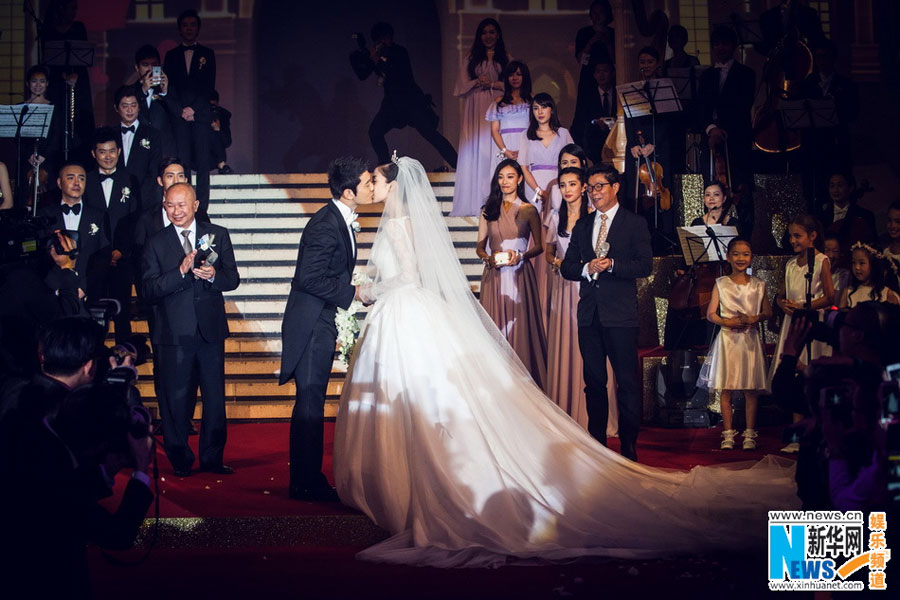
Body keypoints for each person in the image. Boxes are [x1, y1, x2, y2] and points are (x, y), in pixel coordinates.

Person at [332, 155, 798, 569]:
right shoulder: (410, 223)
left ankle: (621, 444)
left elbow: (403, 277)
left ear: (392, 186)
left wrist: (365, 292)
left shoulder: (395, 226)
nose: (372, 185)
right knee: (583, 383)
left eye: (375, 180)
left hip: (429, 310)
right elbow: (565, 262)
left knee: (617, 382)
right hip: (491, 311)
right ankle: (592, 442)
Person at [0, 376, 153, 599]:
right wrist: (140, 469)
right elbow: (117, 535)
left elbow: (78, 488)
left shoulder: (41, 437)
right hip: (38, 581)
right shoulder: (54, 476)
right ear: (100, 443)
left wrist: (108, 469)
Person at [279, 157, 377, 502]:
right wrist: (354, 293)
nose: (371, 187)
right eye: (366, 183)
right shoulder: (325, 224)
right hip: (309, 324)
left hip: (321, 320)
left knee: (312, 400)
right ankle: (304, 482)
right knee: (309, 402)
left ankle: (307, 478)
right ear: (349, 192)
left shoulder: (339, 219)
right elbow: (307, 277)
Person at [141, 182, 239, 477]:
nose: (176, 211)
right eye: (170, 205)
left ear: (195, 205)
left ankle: (212, 458)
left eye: (182, 205)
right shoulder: (155, 243)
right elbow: (148, 289)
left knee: (214, 399)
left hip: (209, 331)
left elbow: (232, 278)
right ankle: (180, 459)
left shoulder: (217, 235)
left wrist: (212, 276)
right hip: (173, 334)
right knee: (176, 399)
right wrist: (180, 272)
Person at [560, 164, 653, 459]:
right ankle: (598, 445)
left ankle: (628, 447)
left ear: (615, 188)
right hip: (589, 316)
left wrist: (612, 264)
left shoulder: (634, 223)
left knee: (626, 383)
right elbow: (567, 267)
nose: (594, 192)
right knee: (594, 383)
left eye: (600, 186)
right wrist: (587, 268)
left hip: (621, 316)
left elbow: (644, 265)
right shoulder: (583, 226)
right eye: (590, 187)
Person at [544, 167, 618, 434]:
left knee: (593, 357)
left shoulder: (594, 217)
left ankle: (597, 420)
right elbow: (548, 253)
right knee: (567, 345)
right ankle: (566, 411)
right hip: (565, 286)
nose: (567, 190)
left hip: (591, 288)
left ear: (583, 187)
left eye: (572, 184)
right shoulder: (555, 218)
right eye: (562, 185)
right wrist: (560, 262)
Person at [475, 159, 546, 388]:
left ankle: (523, 384)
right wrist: (488, 258)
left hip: (519, 275)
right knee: (494, 329)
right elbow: (480, 246)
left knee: (520, 329)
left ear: (519, 179)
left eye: (510, 176)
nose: (505, 182)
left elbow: (540, 246)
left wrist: (521, 256)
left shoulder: (528, 209)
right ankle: (495, 384)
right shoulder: (488, 210)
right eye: (501, 177)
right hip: (493, 276)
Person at [697, 237, 772, 451]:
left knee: (750, 388)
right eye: (736, 254)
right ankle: (728, 433)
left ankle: (749, 432)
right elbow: (711, 314)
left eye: (745, 254)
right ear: (728, 257)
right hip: (729, 340)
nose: (741, 258)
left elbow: (768, 312)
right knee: (727, 388)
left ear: (751, 257)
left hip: (749, 340)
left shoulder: (758, 284)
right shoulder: (721, 283)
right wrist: (727, 321)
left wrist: (753, 319)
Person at [350, 22, 457, 169]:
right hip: (392, 105)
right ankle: (386, 165)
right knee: (375, 132)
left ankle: (458, 165)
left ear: (389, 38)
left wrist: (381, 60)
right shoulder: (377, 54)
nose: (382, 43)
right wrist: (371, 58)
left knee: (431, 134)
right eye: (378, 40)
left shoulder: (399, 51)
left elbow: (401, 75)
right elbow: (363, 74)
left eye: (383, 39)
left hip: (410, 103)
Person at [769, 214, 834, 453]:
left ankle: (815, 430)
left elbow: (830, 296)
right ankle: (797, 432)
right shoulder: (789, 264)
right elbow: (783, 293)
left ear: (812, 236)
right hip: (793, 321)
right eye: (791, 235)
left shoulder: (821, 260)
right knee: (796, 375)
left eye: (798, 235)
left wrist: (805, 307)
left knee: (812, 373)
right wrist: (781, 302)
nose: (792, 240)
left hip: (812, 323)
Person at [84, 127, 141, 342]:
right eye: (101, 152)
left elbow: (135, 217)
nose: (107, 156)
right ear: (93, 154)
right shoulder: (86, 180)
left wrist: (121, 250)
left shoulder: (130, 180)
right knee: (95, 312)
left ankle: (123, 359)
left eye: (111, 151)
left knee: (122, 311)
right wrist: (103, 251)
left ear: (119, 151)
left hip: (122, 257)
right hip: (94, 257)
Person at [697, 26, 755, 227]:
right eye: (717, 44)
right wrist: (711, 128)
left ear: (734, 46)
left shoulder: (746, 74)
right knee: (711, 185)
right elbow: (701, 108)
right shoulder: (706, 76)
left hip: (736, 139)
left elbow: (741, 107)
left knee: (740, 188)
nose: (720, 48)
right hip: (711, 139)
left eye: (725, 43)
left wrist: (723, 130)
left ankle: (742, 233)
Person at [451, 18, 509, 217]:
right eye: (484, 32)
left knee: (492, 149)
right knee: (476, 148)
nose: (488, 36)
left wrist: (493, 84)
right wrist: (477, 81)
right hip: (475, 106)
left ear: (498, 35)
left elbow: (512, 83)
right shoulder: (471, 58)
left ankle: (494, 198)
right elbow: (460, 85)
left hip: (496, 103)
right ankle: (475, 199)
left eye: (492, 32)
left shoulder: (505, 57)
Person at [164, 9, 215, 220]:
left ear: (198, 28)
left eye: (193, 25)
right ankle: (183, 203)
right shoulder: (171, 56)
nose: (189, 29)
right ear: (179, 29)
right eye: (185, 25)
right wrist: (180, 110)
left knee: (203, 163)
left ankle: (201, 208)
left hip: (200, 115)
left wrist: (194, 109)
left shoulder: (207, 54)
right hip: (179, 117)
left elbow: (208, 87)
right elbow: (168, 88)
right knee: (182, 163)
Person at [37, 162, 109, 301]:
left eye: (81, 178)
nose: (77, 182)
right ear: (59, 182)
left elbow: (102, 257)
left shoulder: (99, 216)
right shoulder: (44, 216)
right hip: (51, 293)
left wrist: (83, 287)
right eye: (70, 178)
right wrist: (56, 287)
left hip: (86, 295)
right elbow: (39, 257)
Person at [571, 0, 614, 147]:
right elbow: (580, 59)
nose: (596, 16)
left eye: (600, 12)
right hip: (589, 79)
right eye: (593, 13)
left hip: (609, 78)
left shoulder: (613, 33)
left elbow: (616, 59)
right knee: (586, 115)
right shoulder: (584, 33)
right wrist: (592, 41)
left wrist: (606, 41)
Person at [113, 85, 163, 207]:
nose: (130, 110)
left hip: (143, 200)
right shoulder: (110, 135)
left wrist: (138, 197)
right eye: (125, 106)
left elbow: (154, 170)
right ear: (116, 108)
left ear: (139, 107)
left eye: (133, 105)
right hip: (114, 198)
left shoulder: (153, 135)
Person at [486, 61, 532, 175]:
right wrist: (505, 151)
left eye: (518, 74)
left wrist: (525, 150)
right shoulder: (499, 102)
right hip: (505, 146)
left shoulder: (532, 100)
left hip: (526, 145)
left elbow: (537, 128)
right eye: (511, 75)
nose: (514, 78)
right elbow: (494, 130)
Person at [133, 44, 178, 159]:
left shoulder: (168, 91)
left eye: (154, 65)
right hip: (139, 150)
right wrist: (143, 90)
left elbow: (178, 116)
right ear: (137, 68)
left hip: (165, 151)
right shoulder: (129, 92)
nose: (149, 69)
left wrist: (165, 93)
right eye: (145, 65)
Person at [816, 171, 876, 249]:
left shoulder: (865, 215)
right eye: (832, 186)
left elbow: (872, 244)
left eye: (840, 185)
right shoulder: (821, 217)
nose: (835, 190)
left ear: (850, 188)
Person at [579, 59, 618, 167]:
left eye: (605, 71)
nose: (601, 75)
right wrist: (595, 122)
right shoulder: (587, 97)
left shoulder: (618, 94)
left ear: (612, 73)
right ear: (594, 75)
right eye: (598, 71)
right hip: (595, 146)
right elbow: (581, 121)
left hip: (617, 144)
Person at [839, 242, 900, 308]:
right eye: (854, 262)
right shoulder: (848, 292)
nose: (857, 267)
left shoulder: (887, 294)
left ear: (873, 265)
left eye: (861, 263)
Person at [209, 90, 234, 174]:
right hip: (197, 155)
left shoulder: (222, 115)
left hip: (215, 158)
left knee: (215, 132)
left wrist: (218, 129)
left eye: (213, 106)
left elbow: (227, 142)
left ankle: (222, 165)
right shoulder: (196, 115)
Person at [823, 232, 850, 301]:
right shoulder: (812, 272)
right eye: (827, 250)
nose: (831, 255)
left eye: (835, 251)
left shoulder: (843, 275)